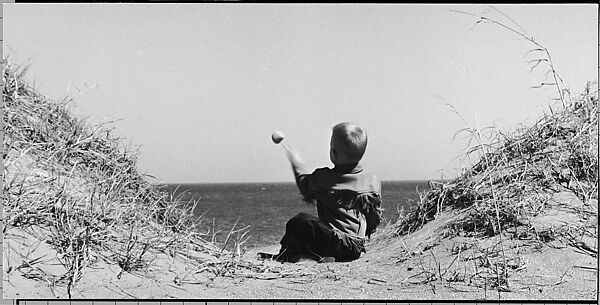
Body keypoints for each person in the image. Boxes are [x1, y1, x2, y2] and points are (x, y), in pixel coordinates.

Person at [259, 122, 384, 263]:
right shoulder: (372, 180)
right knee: (319, 228)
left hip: (337, 243)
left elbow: (304, 184)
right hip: (356, 247)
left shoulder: (324, 178)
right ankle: (319, 256)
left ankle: (288, 255)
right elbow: (374, 215)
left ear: (334, 153)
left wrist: (295, 160)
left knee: (300, 221)